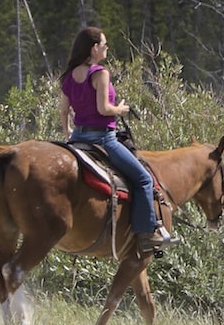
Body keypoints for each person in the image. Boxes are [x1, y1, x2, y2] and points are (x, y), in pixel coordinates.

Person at [59, 26, 174, 256]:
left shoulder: (69, 75)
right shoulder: (99, 73)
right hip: (102, 138)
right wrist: (120, 109)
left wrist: (68, 132)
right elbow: (104, 108)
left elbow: (63, 111)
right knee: (143, 179)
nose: (106, 48)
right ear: (94, 48)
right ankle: (146, 233)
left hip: (79, 137)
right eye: (104, 45)